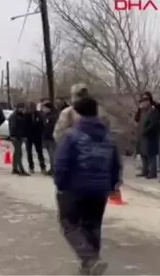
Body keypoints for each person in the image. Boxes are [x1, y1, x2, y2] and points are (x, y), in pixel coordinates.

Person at [54, 97, 121, 276]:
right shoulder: (108, 136)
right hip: (100, 189)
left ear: (77, 113)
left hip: (75, 188)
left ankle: (90, 259)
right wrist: (113, 185)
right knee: (92, 225)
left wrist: (60, 185)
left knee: (68, 224)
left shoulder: (72, 135)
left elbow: (61, 163)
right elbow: (115, 164)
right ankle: (89, 266)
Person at [136, 97, 160, 179]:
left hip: (150, 136)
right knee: (143, 154)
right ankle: (145, 170)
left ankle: (153, 172)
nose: (141, 105)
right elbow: (137, 120)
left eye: (142, 103)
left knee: (151, 155)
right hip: (142, 136)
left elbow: (153, 124)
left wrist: (145, 131)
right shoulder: (143, 112)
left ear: (147, 102)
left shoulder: (153, 112)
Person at [8, 102, 30, 176]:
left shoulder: (21, 115)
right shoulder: (14, 116)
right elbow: (13, 127)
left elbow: (23, 127)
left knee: (17, 153)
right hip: (16, 137)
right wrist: (13, 136)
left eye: (23, 107)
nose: (22, 109)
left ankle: (15, 169)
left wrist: (24, 136)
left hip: (20, 137)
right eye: (21, 108)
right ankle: (21, 170)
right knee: (19, 153)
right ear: (18, 108)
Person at [24, 101, 45, 174]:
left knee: (39, 152)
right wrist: (25, 135)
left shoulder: (39, 114)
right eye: (31, 107)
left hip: (37, 136)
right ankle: (31, 167)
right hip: (29, 136)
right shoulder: (26, 115)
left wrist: (41, 132)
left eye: (33, 107)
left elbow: (42, 124)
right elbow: (24, 126)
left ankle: (43, 167)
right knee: (29, 152)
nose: (32, 108)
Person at [41, 101, 58, 174]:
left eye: (45, 108)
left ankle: (54, 169)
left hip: (52, 138)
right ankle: (52, 168)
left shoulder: (53, 116)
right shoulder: (45, 116)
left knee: (52, 154)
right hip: (46, 137)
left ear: (49, 108)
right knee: (49, 154)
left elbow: (53, 127)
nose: (43, 109)